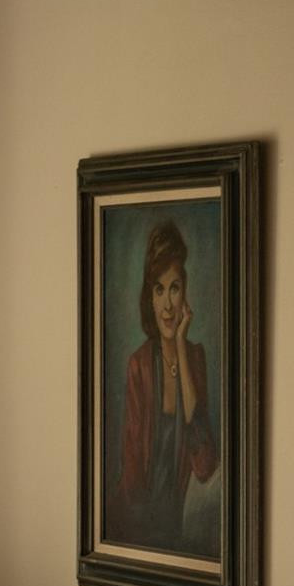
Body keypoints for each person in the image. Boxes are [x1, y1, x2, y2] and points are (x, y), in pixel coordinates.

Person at [114, 220, 218, 551]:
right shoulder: (139, 366)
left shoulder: (196, 358)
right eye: (159, 290)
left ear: (185, 292)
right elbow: (131, 477)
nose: (168, 305)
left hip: (179, 530)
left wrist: (182, 350)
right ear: (150, 297)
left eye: (174, 288)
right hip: (137, 527)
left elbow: (204, 464)